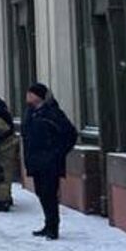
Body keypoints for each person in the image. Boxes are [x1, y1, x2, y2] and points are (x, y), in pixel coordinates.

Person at [21, 82, 79, 240]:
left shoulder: (52, 113)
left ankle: (53, 227)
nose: (27, 96)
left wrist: (56, 154)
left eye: (30, 93)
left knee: (49, 194)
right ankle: (48, 224)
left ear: (38, 96)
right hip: (36, 160)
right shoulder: (30, 113)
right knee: (41, 193)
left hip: (49, 162)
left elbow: (70, 134)